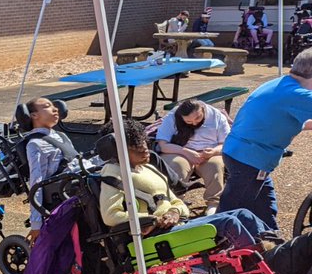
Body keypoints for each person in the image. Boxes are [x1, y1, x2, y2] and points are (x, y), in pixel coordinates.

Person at [99, 118, 271, 252]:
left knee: (244, 215)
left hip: (175, 223)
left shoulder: (148, 168)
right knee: (228, 222)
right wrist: (153, 220)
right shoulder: (113, 172)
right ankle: (267, 267)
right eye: (135, 145)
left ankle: (278, 251)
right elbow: (110, 216)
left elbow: (178, 203)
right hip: (154, 235)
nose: (145, 148)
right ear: (118, 150)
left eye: (143, 142)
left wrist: (174, 211)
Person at [220, 47, 312, 232]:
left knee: (265, 209)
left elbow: (277, 118)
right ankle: (213, 253)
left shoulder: (281, 84)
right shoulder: (298, 95)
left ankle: (273, 245)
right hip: (250, 159)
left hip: (241, 153)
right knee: (231, 214)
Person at [21, 97, 88, 244]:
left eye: (54, 106)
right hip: (63, 192)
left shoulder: (61, 136)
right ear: (34, 115)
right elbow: (36, 182)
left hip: (80, 181)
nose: (55, 109)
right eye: (47, 106)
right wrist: (36, 223)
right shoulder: (35, 144)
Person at [154, 99, 229, 214]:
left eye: (198, 118)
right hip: (179, 151)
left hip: (208, 153)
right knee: (177, 165)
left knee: (215, 166)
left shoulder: (217, 116)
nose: (194, 123)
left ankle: (213, 203)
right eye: (189, 121)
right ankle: (176, 203)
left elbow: (225, 144)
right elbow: (163, 145)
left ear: (203, 109)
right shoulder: (172, 117)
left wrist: (213, 151)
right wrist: (186, 152)